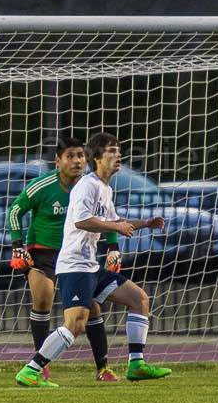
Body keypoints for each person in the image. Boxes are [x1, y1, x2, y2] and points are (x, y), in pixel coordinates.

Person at [15, 133, 170, 387]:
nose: (118, 155)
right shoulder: (86, 185)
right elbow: (81, 220)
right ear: (96, 158)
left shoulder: (104, 188)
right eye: (111, 151)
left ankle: (137, 364)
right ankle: (31, 370)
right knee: (75, 324)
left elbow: (114, 222)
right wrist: (116, 227)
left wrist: (145, 223)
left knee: (139, 299)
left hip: (90, 267)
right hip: (74, 266)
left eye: (118, 150)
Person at [6, 137, 121, 383]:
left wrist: (113, 247)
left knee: (92, 308)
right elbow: (15, 210)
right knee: (43, 297)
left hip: (76, 255)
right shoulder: (43, 185)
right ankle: (40, 366)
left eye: (80, 155)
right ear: (58, 162)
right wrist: (17, 246)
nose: (77, 161)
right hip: (43, 252)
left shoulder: (91, 185)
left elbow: (107, 217)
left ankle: (103, 368)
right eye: (70, 156)